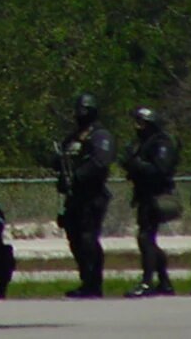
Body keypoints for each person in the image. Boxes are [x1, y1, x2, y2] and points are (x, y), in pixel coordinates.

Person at [50, 93, 115, 298]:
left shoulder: (100, 135)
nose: (80, 114)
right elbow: (61, 160)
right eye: (78, 110)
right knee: (75, 238)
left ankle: (94, 283)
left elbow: (100, 162)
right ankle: (86, 280)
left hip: (93, 195)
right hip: (74, 197)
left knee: (88, 238)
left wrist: (77, 176)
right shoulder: (74, 137)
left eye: (84, 110)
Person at [119, 107, 179, 297]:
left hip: (157, 196)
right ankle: (164, 282)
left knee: (145, 238)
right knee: (147, 239)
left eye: (141, 123)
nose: (137, 127)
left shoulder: (162, 142)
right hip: (144, 196)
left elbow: (160, 169)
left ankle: (147, 282)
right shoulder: (142, 143)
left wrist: (137, 164)